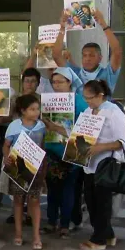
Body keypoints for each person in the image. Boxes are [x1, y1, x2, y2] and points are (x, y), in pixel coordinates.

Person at [78, 80, 125, 250]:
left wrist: (100, 147)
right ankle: (108, 234)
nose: (87, 101)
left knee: (102, 204)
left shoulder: (114, 112)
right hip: (89, 165)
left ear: (100, 95)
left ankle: (99, 240)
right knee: (91, 202)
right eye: (85, 98)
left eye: (90, 98)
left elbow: (122, 142)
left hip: (105, 165)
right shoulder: (87, 111)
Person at [41, 67, 87, 239]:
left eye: (60, 82)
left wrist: (58, 128)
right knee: (52, 189)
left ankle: (65, 225)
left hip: (72, 152)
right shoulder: (48, 100)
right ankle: (51, 222)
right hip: (52, 150)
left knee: (69, 190)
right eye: (54, 82)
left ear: (69, 82)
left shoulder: (79, 101)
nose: (56, 85)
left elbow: (85, 129)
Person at [3, 94, 46, 250]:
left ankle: (36, 235)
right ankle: (18, 234)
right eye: (32, 109)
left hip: (35, 169)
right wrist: (6, 157)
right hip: (17, 170)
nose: (36, 112)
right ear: (23, 110)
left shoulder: (41, 126)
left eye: (37, 109)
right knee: (18, 201)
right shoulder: (14, 126)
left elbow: (42, 146)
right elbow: (6, 145)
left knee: (34, 201)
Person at [52, 9, 122, 92]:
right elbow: (56, 55)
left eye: (92, 55)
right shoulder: (74, 73)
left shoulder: (108, 73)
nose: (87, 58)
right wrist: (63, 27)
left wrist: (103, 23)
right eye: (84, 55)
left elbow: (117, 52)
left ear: (100, 58)